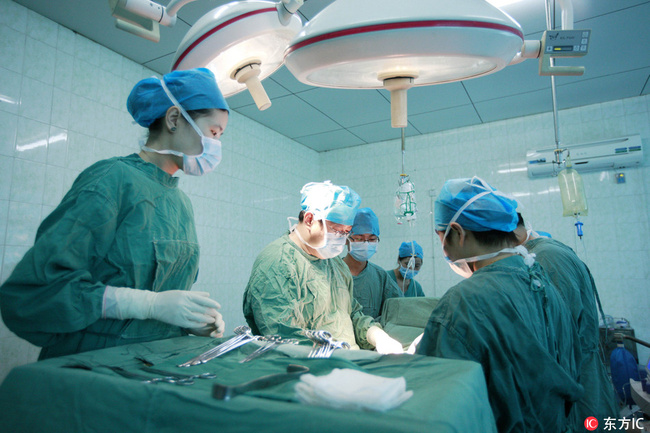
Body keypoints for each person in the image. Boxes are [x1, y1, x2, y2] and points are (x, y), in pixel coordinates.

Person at [0, 68, 228, 360]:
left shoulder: (181, 203)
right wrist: (146, 304)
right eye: (214, 132)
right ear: (174, 119)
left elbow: (166, 295)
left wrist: (189, 323)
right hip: (91, 369)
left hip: (155, 367)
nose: (216, 146)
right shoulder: (110, 180)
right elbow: (36, 294)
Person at [417, 177, 583, 433]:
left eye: (442, 237)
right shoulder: (541, 282)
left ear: (458, 233)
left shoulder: (462, 302)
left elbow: (435, 404)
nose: (444, 248)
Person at [243, 181, 403, 354]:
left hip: (347, 360)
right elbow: (283, 337)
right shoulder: (277, 263)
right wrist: (334, 354)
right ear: (309, 219)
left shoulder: (335, 264)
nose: (341, 239)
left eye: (346, 232)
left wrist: (376, 335)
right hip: (307, 369)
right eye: (335, 230)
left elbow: (352, 314)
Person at [515, 214, 619, 431]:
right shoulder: (546, 253)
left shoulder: (546, 258)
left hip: (576, 384)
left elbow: (556, 333)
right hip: (577, 377)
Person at [343, 208, 402, 320]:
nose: (366, 244)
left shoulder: (380, 277)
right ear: (346, 239)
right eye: (359, 239)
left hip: (371, 336)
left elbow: (398, 308)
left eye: (372, 239)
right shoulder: (334, 271)